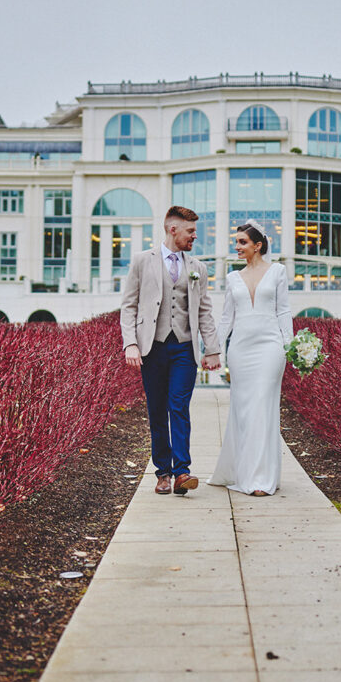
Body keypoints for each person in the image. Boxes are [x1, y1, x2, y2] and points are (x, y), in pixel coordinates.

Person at [120, 205, 221, 495]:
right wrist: (131, 343)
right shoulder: (142, 261)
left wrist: (212, 349)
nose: (194, 237)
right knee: (156, 411)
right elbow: (128, 306)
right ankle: (162, 472)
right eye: (190, 231)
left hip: (184, 350)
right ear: (172, 229)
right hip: (152, 348)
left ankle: (182, 472)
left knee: (178, 407)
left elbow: (204, 311)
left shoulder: (198, 267)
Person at [206, 221, 292, 497]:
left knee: (263, 406)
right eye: (237, 242)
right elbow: (226, 318)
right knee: (243, 410)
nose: (237, 247)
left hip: (271, 346)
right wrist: (213, 350)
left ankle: (261, 478)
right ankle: (243, 471)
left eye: (242, 242)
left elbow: (283, 312)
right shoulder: (232, 278)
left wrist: (290, 347)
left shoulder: (278, 271)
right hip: (240, 348)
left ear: (258, 245)